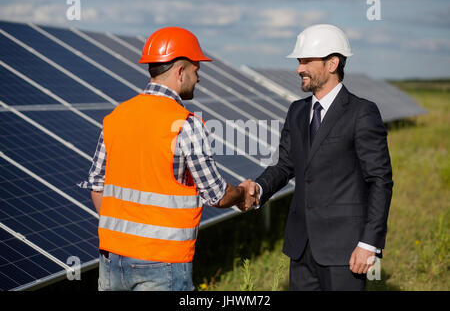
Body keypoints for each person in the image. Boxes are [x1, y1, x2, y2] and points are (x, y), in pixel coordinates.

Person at [78, 27, 256, 291]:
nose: (198, 79)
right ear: (180, 72)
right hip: (163, 264)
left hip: (111, 259)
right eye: (196, 71)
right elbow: (216, 195)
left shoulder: (116, 117)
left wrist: (125, 234)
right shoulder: (186, 124)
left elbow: (96, 184)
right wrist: (243, 193)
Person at [241, 24, 393, 291]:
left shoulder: (361, 112)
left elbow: (380, 180)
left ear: (333, 63)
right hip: (301, 247)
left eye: (306, 61)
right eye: (299, 61)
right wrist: (259, 187)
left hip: (345, 249)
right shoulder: (297, 111)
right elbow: (285, 165)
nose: (299, 68)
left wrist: (369, 243)